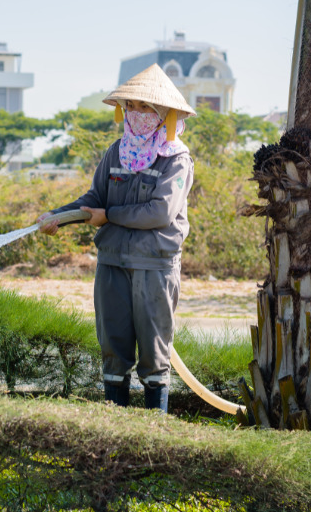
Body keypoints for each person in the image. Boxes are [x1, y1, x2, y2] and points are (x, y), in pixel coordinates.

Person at [37, 64, 195, 413]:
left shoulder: (176, 160)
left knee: (154, 354)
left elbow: (160, 212)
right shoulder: (116, 151)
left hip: (154, 266)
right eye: (131, 106)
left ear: (164, 113)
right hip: (111, 263)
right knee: (113, 349)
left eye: (145, 107)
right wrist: (57, 216)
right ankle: (114, 429)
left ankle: (155, 431)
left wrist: (109, 216)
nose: (136, 113)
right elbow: (95, 198)